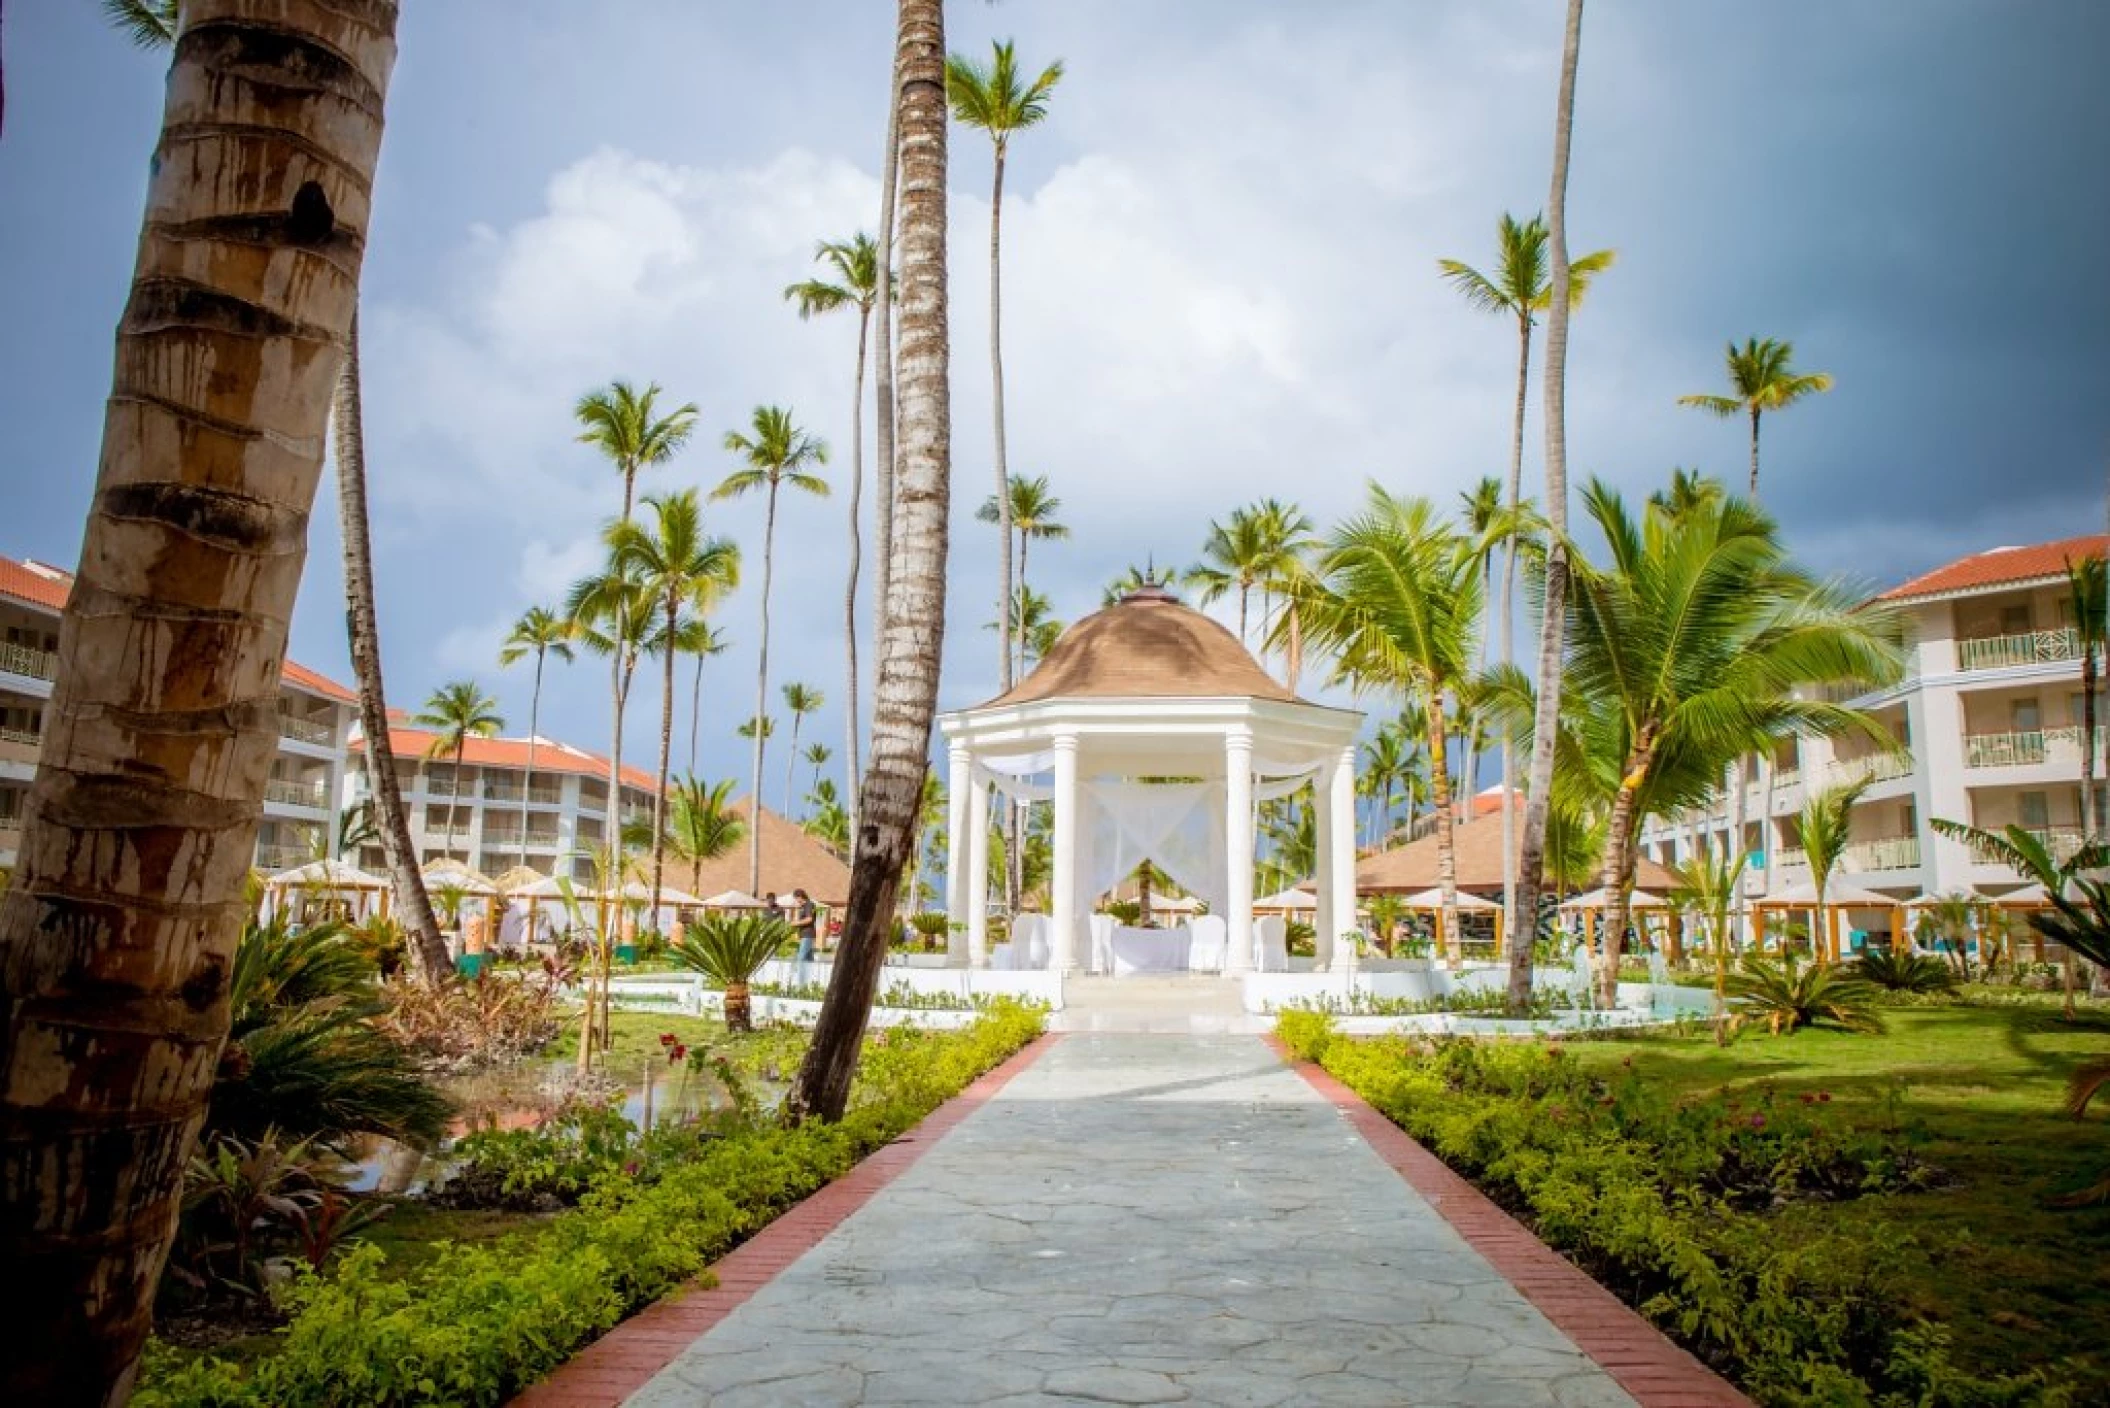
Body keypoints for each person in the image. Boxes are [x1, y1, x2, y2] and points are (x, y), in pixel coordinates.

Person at [791, 888, 819, 964]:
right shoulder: (802, 907)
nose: (796, 901)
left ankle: (800, 975)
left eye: (796, 898)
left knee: (801, 957)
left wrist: (796, 923)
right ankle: (812, 974)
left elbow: (809, 919)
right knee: (809, 958)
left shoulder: (809, 904)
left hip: (808, 934)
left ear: (800, 896)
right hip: (804, 935)